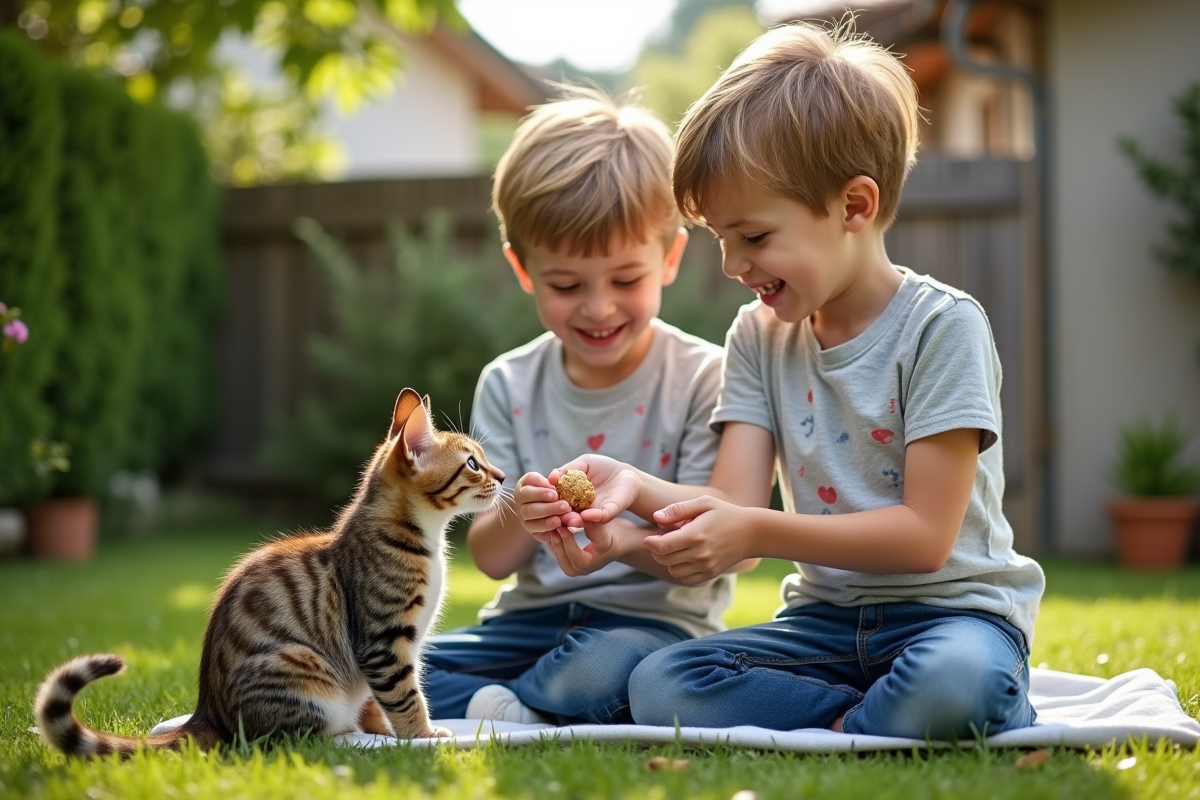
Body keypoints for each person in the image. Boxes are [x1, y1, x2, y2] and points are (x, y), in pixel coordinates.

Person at [522, 23, 1045, 740]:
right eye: (721, 240)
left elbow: (924, 537)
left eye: (756, 237)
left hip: (952, 616)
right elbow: (731, 502)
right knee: (664, 681)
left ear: (854, 207)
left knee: (957, 680)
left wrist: (758, 531)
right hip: (821, 628)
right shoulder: (758, 335)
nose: (734, 264)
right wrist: (634, 488)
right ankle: (864, 724)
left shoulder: (941, 328)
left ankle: (900, 712)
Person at [422, 87, 757, 726]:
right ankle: (518, 704)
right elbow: (491, 561)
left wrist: (619, 538)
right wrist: (524, 512)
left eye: (625, 280)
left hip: (648, 627)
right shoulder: (510, 382)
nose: (598, 307)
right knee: (381, 666)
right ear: (523, 270)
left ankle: (516, 705)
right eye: (566, 285)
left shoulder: (702, 377)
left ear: (670, 257)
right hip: (527, 626)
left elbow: (709, 548)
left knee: (601, 672)